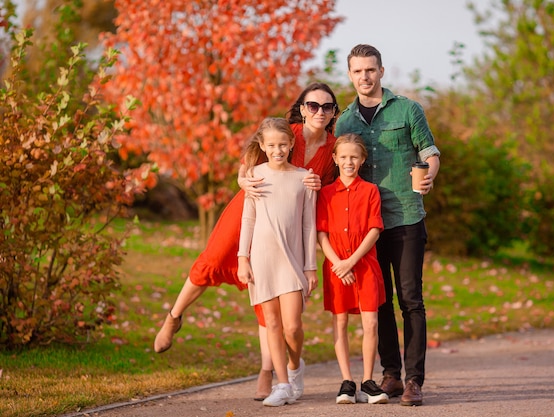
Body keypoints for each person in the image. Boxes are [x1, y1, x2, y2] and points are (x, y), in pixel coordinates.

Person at [153, 82, 339, 401]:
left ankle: (268, 371)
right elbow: (248, 165)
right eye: (312, 105)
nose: (319, 112)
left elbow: (332, 188)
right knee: (211, 261)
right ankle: (174, 317)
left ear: (334, 112)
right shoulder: (285, 131)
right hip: (251, 204)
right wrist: (242, 179)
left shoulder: (333, 147)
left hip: (289, 220)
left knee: (271, 301)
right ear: (302, 107)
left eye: (326, 107)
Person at [334, 44, 441, 407]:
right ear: (350, 75)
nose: (364, 77)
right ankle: (390, 375)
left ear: (381, 71)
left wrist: (428, 178)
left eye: (370, 70)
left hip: (406, 215)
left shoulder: (408, 109)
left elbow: (429, 152)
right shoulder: (345, 122)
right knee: (377, 302)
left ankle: (414, 381)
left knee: (411, 300)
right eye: (358, 71)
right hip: (365, 228)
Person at [236, 117, 317, 407]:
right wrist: (242, 258)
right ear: (262, 145)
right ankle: (282, 384)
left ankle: (295, 368)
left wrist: (310, 266)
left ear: (292, 144)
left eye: (283, 144)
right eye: (271, 145)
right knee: (271, 323)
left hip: (292, 259)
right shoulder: (254, 175)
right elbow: (248, 219)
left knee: (292, 327)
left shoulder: (303, 178)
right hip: (261, 259)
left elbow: (309, 225)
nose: (277, 150)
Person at [316, 133, 388, 405]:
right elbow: (321, 233)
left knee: (370, 322)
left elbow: (374, 230)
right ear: (335, 159)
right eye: (343, 157)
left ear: (362, 160)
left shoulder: (370, 191)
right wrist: (338, 263)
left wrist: (351, 262)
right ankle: (347, 382)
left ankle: (368, 382)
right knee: (340, 321)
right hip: (336, 269)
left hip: (364, 266)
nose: (349, 162)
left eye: (354, 157)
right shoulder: (325, 193)